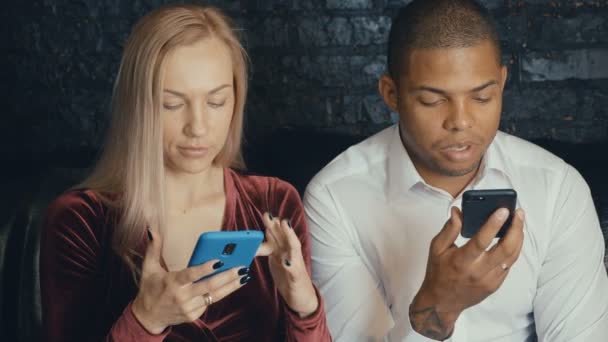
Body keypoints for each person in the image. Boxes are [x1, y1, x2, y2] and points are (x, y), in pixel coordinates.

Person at [304, 0, 608, 341]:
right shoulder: (335, 197)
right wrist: (437, 310)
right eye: (432, 101)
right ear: (391, 93)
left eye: (481, 98)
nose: (460, 122)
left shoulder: (557, 189)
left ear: (502, 83)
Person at [40, 4, 330, 341]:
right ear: (139, 107)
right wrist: (146, 320)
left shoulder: (273, 201)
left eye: (216, 101)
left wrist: (303, 304)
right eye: (172, 104)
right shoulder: (81, 220)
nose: (198, 127)